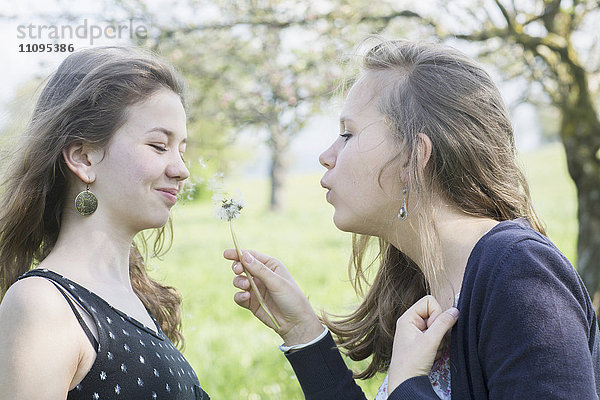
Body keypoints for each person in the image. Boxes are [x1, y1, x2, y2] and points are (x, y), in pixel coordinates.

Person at [225, 39, 600, 399]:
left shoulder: (520, 275)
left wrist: (408, 387)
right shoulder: (427, 283)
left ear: (413, 157)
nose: (326, 155)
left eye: (347, 133)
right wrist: (302, 332)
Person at [0, 47, 210, 399]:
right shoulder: (43, 306)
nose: (181, 170)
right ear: (83, 157)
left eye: (181, 150)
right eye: (159, 146)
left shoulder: (135, 297)